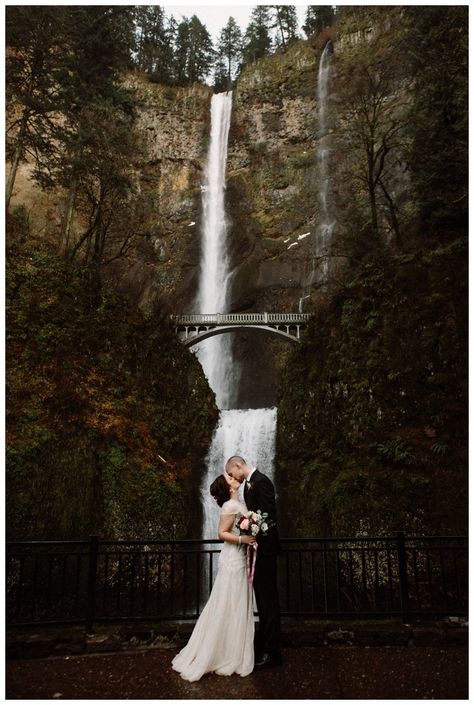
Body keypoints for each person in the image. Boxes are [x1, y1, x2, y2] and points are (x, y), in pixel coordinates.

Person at [172, 473, 256, 682]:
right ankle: (224, 653)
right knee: (228, 602)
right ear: (227, 488)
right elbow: (221, 533)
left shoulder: (240, 501)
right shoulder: (229, 506)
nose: (234, 478)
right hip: (233, 558)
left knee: (234, 603)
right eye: (229, 479)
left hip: (239, 557)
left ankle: (231, 649)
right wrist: (243, 538)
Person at [226, 455, 282, 669]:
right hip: (257, 552)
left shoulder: (262, 481)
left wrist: (251, 527)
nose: (233, 478)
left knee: (269, 601)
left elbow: (269, 517)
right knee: (263, 600)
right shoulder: (250, 485)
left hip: (265, 553)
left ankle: (272, 652)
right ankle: (264, 644)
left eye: (232, 474)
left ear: (238, 465)